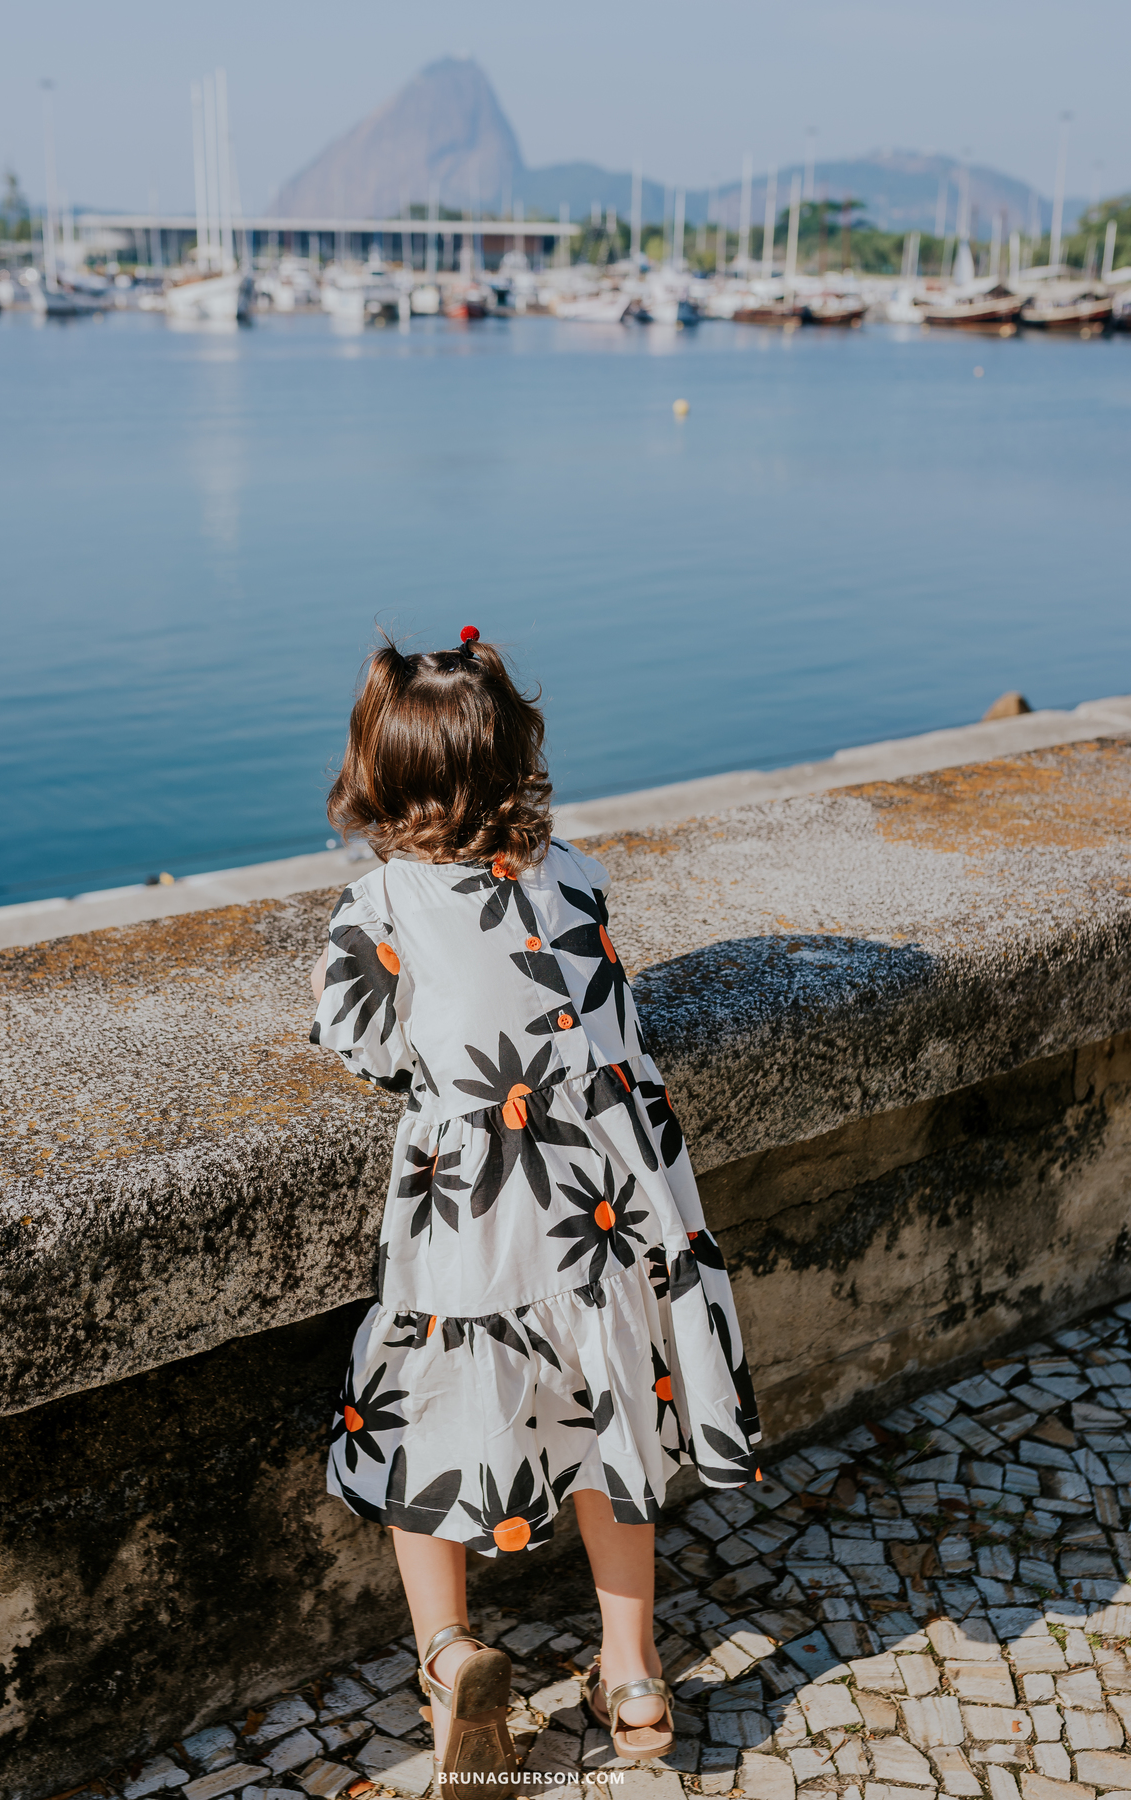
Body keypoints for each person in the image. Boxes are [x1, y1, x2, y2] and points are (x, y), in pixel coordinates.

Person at [310, 629, 760, 1799]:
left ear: (379, 777)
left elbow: (367, 1047)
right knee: (614, 1422)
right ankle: (636, 1674)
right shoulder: (577, 879)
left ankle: (449, 1653)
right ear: (517, 761)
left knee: (428, 1415)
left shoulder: (379, 906)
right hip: (608, 1206)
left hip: (478, 1220)